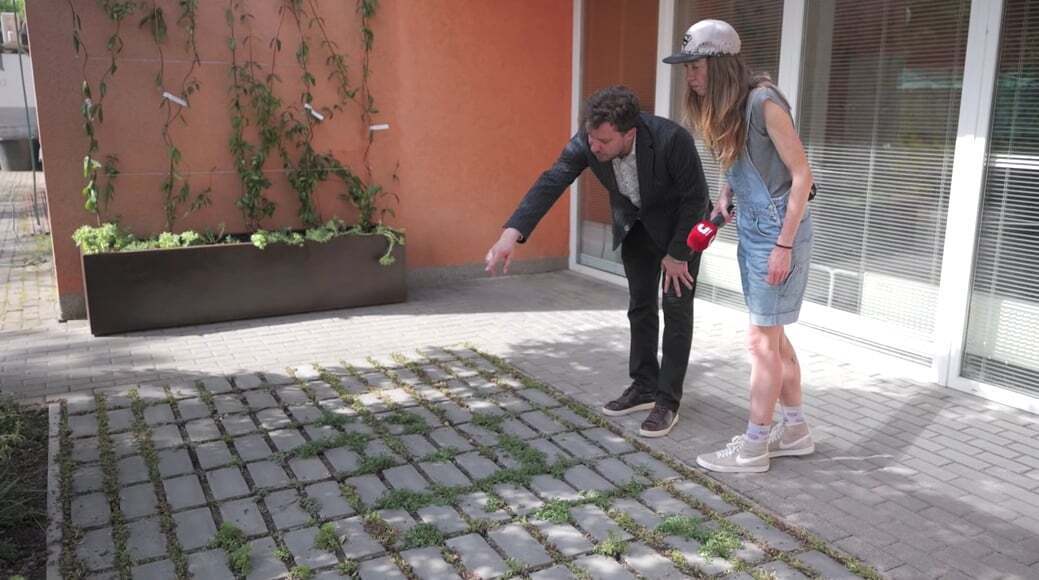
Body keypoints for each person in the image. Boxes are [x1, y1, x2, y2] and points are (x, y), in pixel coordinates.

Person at [484, 86, 710, 438]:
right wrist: (509, 236)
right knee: (641, 307)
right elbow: (553, 179)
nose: (595, 147)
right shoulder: (589, 140)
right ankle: (644, 386)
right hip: (635, 228)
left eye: (603, 141)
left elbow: (696, 199)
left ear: (629, 134)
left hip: (680, 231)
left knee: (676, 309)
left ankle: (667, 400)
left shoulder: (671, 139)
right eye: (591, 137)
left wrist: (679, 254)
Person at [663, 20, 815, 472]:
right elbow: (746, 166)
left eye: (696, 66)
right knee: (774, 338)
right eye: (687, 68)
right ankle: (796, 430)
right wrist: (727, 195)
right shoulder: (726, 109)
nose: (690, 76)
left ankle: (754, 447)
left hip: (778, 233)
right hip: (752, 227)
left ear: (721, 65)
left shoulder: (764, 103)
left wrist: (784, 246)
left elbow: (802, 177)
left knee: (760, 342)